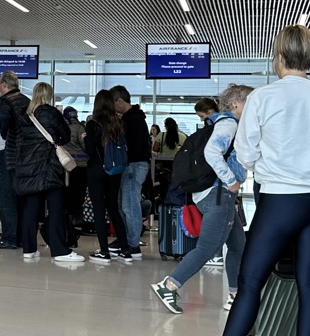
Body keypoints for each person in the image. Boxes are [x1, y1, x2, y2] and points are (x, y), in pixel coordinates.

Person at [183, 25, 310, 336]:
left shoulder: (264, 97)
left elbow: (245, 153)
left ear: (278, 57)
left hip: (281, 200)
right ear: (309, 57)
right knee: (309, 284)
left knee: (251, 281)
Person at [150, 84, 252, 313]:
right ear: (236, 103)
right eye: (249, 101)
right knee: (207, 247)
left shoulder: (220, 123)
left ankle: (235, 295)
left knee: (237, 245)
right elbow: (212, 152)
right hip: (219, 194)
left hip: (213, 193)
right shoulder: (229, 124)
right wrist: (230, 180)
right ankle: (169, 286)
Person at [9, 82, 76, 262]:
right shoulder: (51, 112)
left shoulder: (24, 115)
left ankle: (29, 249)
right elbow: (66, 135)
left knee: (30, 208)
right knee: (55, 208)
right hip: (49, 166)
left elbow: (17, 140)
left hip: (28, 166)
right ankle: (59, 250)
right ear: (49, 94)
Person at [83, 89, 128, 263]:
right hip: (115, 171)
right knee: (114, 209)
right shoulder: (118, 123)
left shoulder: (93, 123)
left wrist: (86, 137)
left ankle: (104, 251)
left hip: (96, 170)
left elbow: (89, 150)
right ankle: (125, 249)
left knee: (99, 210)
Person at [0, 71, 30, 251]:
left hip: (5, 154)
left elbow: (5, 124)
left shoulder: (7, 101)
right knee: (17, 198)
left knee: (4, 198)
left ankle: (9, 238)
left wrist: (6, 134)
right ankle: (20, 237)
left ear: (4, 85)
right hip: (19, 155)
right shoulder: (24, 99)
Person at [112, 86, 151, 258]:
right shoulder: (136, 117)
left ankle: (133, 245)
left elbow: (132, 147)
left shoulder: (131, 120)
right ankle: (126, 240)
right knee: (126, 205)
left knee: (129, 206)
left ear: (119, 101)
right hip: (136, 165)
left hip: (133, 166)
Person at [63, 105, 88, 237]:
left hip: (65, 165)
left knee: (67, 194)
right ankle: (77, 221)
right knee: (78, 195)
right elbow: (85, 145)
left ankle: (66, 221)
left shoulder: (61, 127)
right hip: (80, 165)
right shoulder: (80, 128)